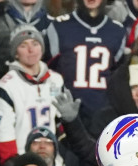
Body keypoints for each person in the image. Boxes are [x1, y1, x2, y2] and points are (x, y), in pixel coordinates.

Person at [45, 0, 126, 132]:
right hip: (66, 116)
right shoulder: (59, 27)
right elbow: (47, 74)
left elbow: (119, 80)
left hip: (103, 119)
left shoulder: (117, 31)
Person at [0, 24, 66, 166]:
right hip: (22, 162)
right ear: (16, 53)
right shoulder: (5, 86)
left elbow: (62, 126)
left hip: (53, 162)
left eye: (35, 44)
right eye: (23, 45)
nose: (31, 50)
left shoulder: (56, 80)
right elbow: (4, 135)